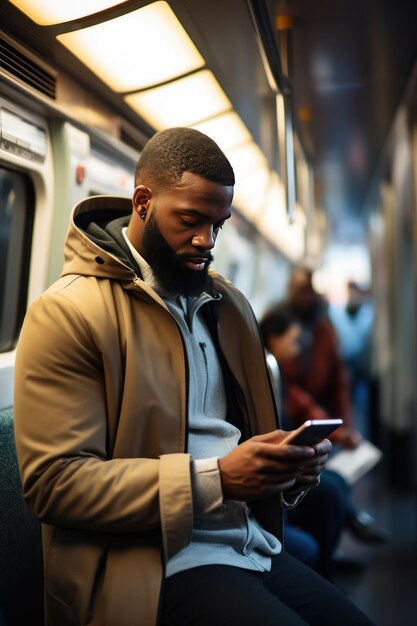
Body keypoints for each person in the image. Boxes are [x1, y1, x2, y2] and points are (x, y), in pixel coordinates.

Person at [14, 128, 374, 626]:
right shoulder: (68, 313)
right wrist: (219, 479)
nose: (206, 242)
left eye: (218, 225)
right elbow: (56, 485)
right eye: (190, 221)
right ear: (143, 202)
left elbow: (243, 441)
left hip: (247, 542)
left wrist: (287, 469)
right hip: (152, 563)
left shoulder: (227, 306)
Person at [262, 267, 389, 546]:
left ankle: (345, 524)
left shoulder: (322, 323)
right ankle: (351, 520)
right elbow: (291, 392)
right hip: (296, 414)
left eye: (307, 290)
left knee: (327, 476)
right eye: (299, 290)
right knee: (324, 482)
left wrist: (343, 426)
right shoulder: (278, 327)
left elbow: (337, 380)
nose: (303, 296)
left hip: (311, 408)